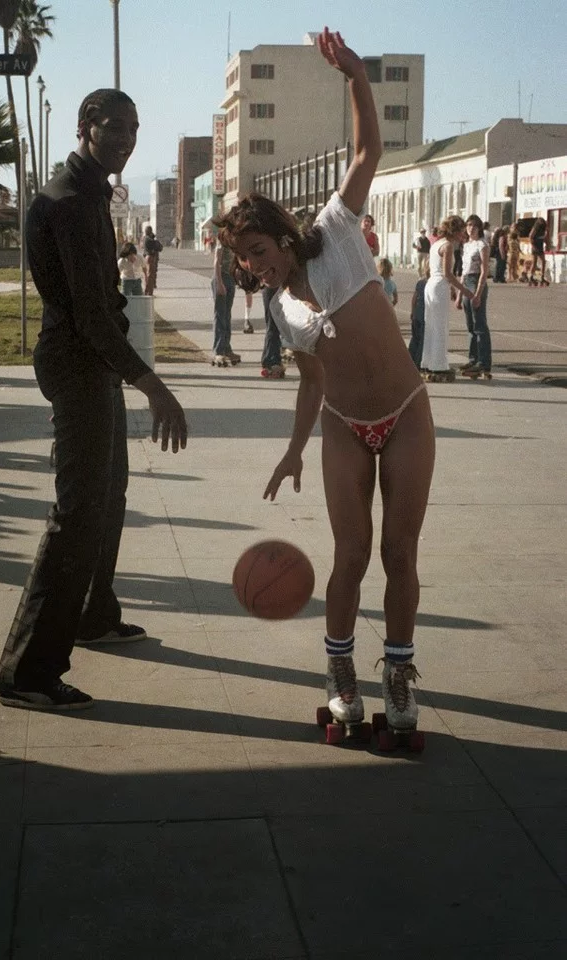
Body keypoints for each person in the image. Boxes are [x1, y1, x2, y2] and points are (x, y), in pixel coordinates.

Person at [214, 27, 434, 738]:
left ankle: (397, 674)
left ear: (281, 237)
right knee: (352, 555)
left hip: (405, 412)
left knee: (400, 554)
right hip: (344, 426)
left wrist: (354, 76)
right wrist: (291, 449)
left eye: (256, 252)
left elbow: (368, 149)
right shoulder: (279, 306)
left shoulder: (337, 229)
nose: (252, 268)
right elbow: (313, 382)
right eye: (243, 263)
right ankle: (341, 674)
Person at [0, 88, 188, 712]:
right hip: (78, 363)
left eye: (135, 127)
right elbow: (90, 318)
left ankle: (93, 614)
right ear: (85, 126)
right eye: (116, 127)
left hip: (91, 362)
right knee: (79, 512)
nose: (127, 138)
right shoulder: (71, 203)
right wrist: (153, 384)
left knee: (109, 496)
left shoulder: (91, 191)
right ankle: (26, 671)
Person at [421, 216, 474, 382]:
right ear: (455, 231)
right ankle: (439, 364)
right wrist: (464, 290)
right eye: (461, 231)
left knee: (431, 324)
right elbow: (448, 274)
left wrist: (451, 287)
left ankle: (428, 361)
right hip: (440, 286)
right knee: (441, 326)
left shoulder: (436, 243)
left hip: (431, 284)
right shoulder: (448, 245)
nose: (462, 235)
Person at [457, 214, 492, 379]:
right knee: (470, 326)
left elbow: (485, 270)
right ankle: (473, 358)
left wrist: (478, 293)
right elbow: (463, 271)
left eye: (474, 226)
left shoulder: (482, 244)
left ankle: (484, 362)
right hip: (466, 283)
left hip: (477, 281)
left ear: (479, 228)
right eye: (468, 225)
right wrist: (459, 295)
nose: (471, 228)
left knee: (480, 325)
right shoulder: (467, 245)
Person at [210, 234, 240, 367]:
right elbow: (217, 261)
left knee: (227, 316)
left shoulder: (234, 241)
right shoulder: (222, 240)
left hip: (230, 279)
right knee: (220, 315)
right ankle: (218, 350)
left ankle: (227, 348)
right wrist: (219, 282)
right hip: (221, 278)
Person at [259, 285, 284, 378]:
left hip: (269, 289)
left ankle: (267, 360)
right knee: (274, 326)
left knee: (271, 325)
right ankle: (272, 361)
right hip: (275, 289)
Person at [408, 266, 428, 370]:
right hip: (424, 316)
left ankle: (409, 359)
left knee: (414, 338)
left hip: (416, 314)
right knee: (422, 340)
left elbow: (414, 298)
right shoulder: (430, 284)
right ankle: (418, 361)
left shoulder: (420, 283)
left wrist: (412, 311)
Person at [529, 217, 549, 286]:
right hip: (536, 245)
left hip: (540, 245)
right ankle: (531, 277)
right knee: (535, 262)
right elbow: (530, 236)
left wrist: (546, 244)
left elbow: (544, 238)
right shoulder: (536, 227)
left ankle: (541, 277)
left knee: (542, 261)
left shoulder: (543, 228)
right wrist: (533, 246)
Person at [143, 225, 162, 295]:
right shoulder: (149, 239)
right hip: (150, 258)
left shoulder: (146, 238)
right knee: (150, 276)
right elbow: (159, 247)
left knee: (149, 275)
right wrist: (155, 240)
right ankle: (149, 292)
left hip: (147, 257)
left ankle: (148, 291)